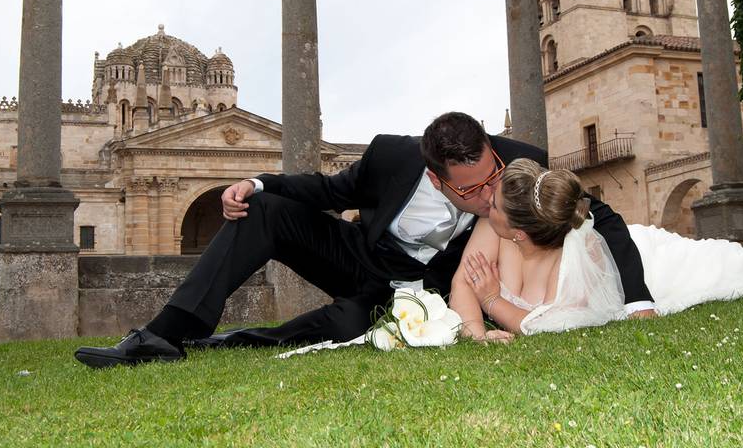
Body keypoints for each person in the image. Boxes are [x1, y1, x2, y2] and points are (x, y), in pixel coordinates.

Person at [75, 112, 654, 368]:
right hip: (359, 256)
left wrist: (637, 300)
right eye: (471, 190)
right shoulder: (391, 156)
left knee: (330, 332)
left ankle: (222, 346)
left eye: (492, 177)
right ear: (435, 176)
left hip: (419, 291)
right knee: (264, 211)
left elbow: (596, 217)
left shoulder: (524, 165)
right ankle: (166, 336)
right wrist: (255, 181)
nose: (488, 196)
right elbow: (327, 189)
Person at [451, 159, 743, 339]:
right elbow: (463, 282)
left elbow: (555, 324)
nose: (485, 205)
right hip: (595, 242)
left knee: (729, 268)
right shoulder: (491, 227)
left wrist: (493, 301)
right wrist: (478, 334)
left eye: (494, 205)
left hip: (641, 261)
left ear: (520, 232)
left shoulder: (574, 264)